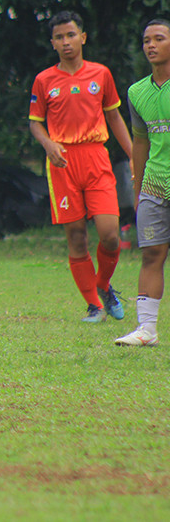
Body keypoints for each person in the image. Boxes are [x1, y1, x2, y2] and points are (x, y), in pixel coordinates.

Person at [29, 11, 133, 323]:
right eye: (59, 37)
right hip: (62, 162)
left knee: (110, 234)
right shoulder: (44, 80)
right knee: (76, 236)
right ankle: (94, 305)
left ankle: (102, 285)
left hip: (96, 158)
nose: (66, 42)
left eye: (71, 35)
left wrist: (133, 155)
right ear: (53, 43)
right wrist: (49, 144)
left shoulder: (100, 74)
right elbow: (35, 123)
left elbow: (114, 117)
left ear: (83, 37)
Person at [116, 19, 170, 346]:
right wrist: (138, 190)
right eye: (146, 40)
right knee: (152, 253)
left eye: (159, 39)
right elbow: (140, 143)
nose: (151, 45)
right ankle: (146, 330)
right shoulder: (137, 92)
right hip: (155, 185)